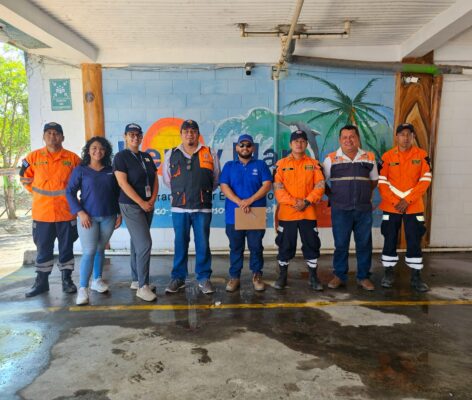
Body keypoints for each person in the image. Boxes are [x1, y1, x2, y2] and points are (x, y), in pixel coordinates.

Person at [19, 122, 81, 297]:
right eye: (49, 133)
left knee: (66, 248)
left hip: (66, 213)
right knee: (43, 249)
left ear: (62, 137)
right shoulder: (33, 157)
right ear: (43, 137)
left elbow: (82, 181)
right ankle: (41, 282)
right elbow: (24, 178)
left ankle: (67, 280)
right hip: (42, 213)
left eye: (56, 133)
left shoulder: (73, 159)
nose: (52, 136)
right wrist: (38, 194)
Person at [163, 120, 220, 295]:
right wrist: (182, 191)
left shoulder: (209, 152)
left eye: (193, 131)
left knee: (203, 244)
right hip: (180, 209)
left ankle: (203, 278)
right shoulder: (171, 154)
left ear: (198, 134)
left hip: (202, 208)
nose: (190, 134)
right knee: (180, 243)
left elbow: (215, 179)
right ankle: (178, 278)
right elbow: (167, 180)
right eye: (186, 131)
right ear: (181, 134)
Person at [66, 137, 122, 305]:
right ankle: (83, 288)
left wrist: (119, 213)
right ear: (88, 150)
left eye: (102, 148)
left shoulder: (111, 170)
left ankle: (97, 280)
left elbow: (118, 193)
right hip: (88, 218)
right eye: (94, 148)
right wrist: (80, 212)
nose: (98, 151)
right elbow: (69, 192)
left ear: (106, 152)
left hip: (109, 217)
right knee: (89, 251)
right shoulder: (81, 170)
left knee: (100, 249)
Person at [323, 124, 378, 291]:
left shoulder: (369, 157)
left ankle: (363, 277)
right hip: (340, 210)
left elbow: (374, 181)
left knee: (364, 244)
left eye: (352, 136)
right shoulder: (331, 159)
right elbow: (321, 182)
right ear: (340, 140)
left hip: (363, 209)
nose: (348, 140)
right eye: (345, 137)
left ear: (358, 138)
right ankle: (339, 276)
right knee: (341, 244)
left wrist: (363, 194)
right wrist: (334, 196)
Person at [378, 123, 432, 292]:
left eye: (409, 134)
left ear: (413, 137)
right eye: (402, 134)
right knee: (389, 238)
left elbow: (425, 180)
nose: (405, 138)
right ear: (397, 137)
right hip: (391, 206)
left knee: (415, 239)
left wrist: (407, 200)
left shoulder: (422, 156)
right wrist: (396, 201)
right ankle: (388, 273)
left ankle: (416, 277)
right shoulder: (387, 157)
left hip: (413, 206)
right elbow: (382, 182)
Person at [273, 129, 325, 291]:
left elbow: (320, 186)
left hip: (308, 213)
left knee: (311, 245)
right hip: (287, 214)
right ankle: (282, 276)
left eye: (302, 141)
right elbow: (278, 189)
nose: (299, 144)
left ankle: (313, 277)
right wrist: (295, 202)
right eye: (296, 141)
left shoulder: (314, 164)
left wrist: (307, 202)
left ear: (306, 144)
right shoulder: (281, 165)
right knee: (285, 246)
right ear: (290, 144)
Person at [220, 134, 272, 292]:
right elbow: (224, 186)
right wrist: (239, 201)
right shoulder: (229, 166)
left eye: (248, 145)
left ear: (253, 148)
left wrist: (249, 200)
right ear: (236, 148)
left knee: (256, 247)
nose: (245, 148)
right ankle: (235, 277)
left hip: (255, 213)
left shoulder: (261, 165)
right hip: (234, 214)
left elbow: (267, 185)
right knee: (236, 247)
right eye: (241, 145)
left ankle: (257, 275)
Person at [113, 123, 159, 302]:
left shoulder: (146, 156)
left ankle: (136, 280)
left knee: (137, 242)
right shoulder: (121, 157)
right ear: (125, 137)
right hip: (131, 205)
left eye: (138, 135)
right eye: (131, 134)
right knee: (145, 244)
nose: (134, 137)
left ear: (141, 137)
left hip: (147, 205)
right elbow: (122, 183)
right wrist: (141, 202)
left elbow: (155, 180)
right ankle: (143, 286)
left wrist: (152, 200)